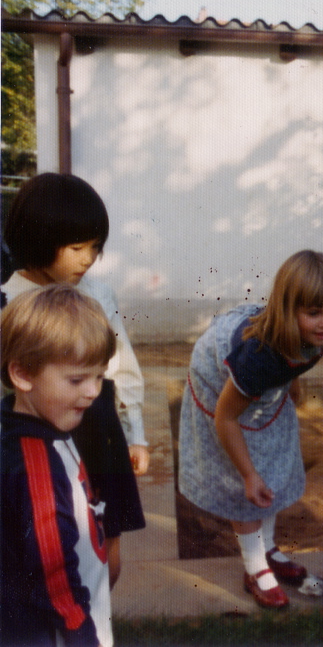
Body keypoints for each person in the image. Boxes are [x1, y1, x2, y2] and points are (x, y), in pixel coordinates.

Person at [178, 250, 323, 609]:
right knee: (248, 484)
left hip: (258, 381)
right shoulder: (259, 357)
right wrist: (248, 474)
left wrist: (291, 384)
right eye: (314, 312)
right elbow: (225, 419)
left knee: (271, 461)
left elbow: (296, 361)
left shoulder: (316, 337)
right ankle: (254, 567)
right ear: (289, 312)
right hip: (218, 380)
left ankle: (267, 548)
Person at [1, 172, 147, 588]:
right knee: (55, 564)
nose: (87, 259)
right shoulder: (8, 305)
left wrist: (135, 432)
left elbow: (122, 365)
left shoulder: (97, 293)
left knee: (108, 562)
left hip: (100, 438)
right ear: (37, 238)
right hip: (39, 449)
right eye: (76, 248)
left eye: (95, 248)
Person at [1, 284, 116, 647]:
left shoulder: (47, 428)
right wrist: (82, 633)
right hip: (58, 632)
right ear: (23, 375)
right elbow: (53, 569)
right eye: (77, 379)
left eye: (99, 376)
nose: (93, 391)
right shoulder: (35, 462)